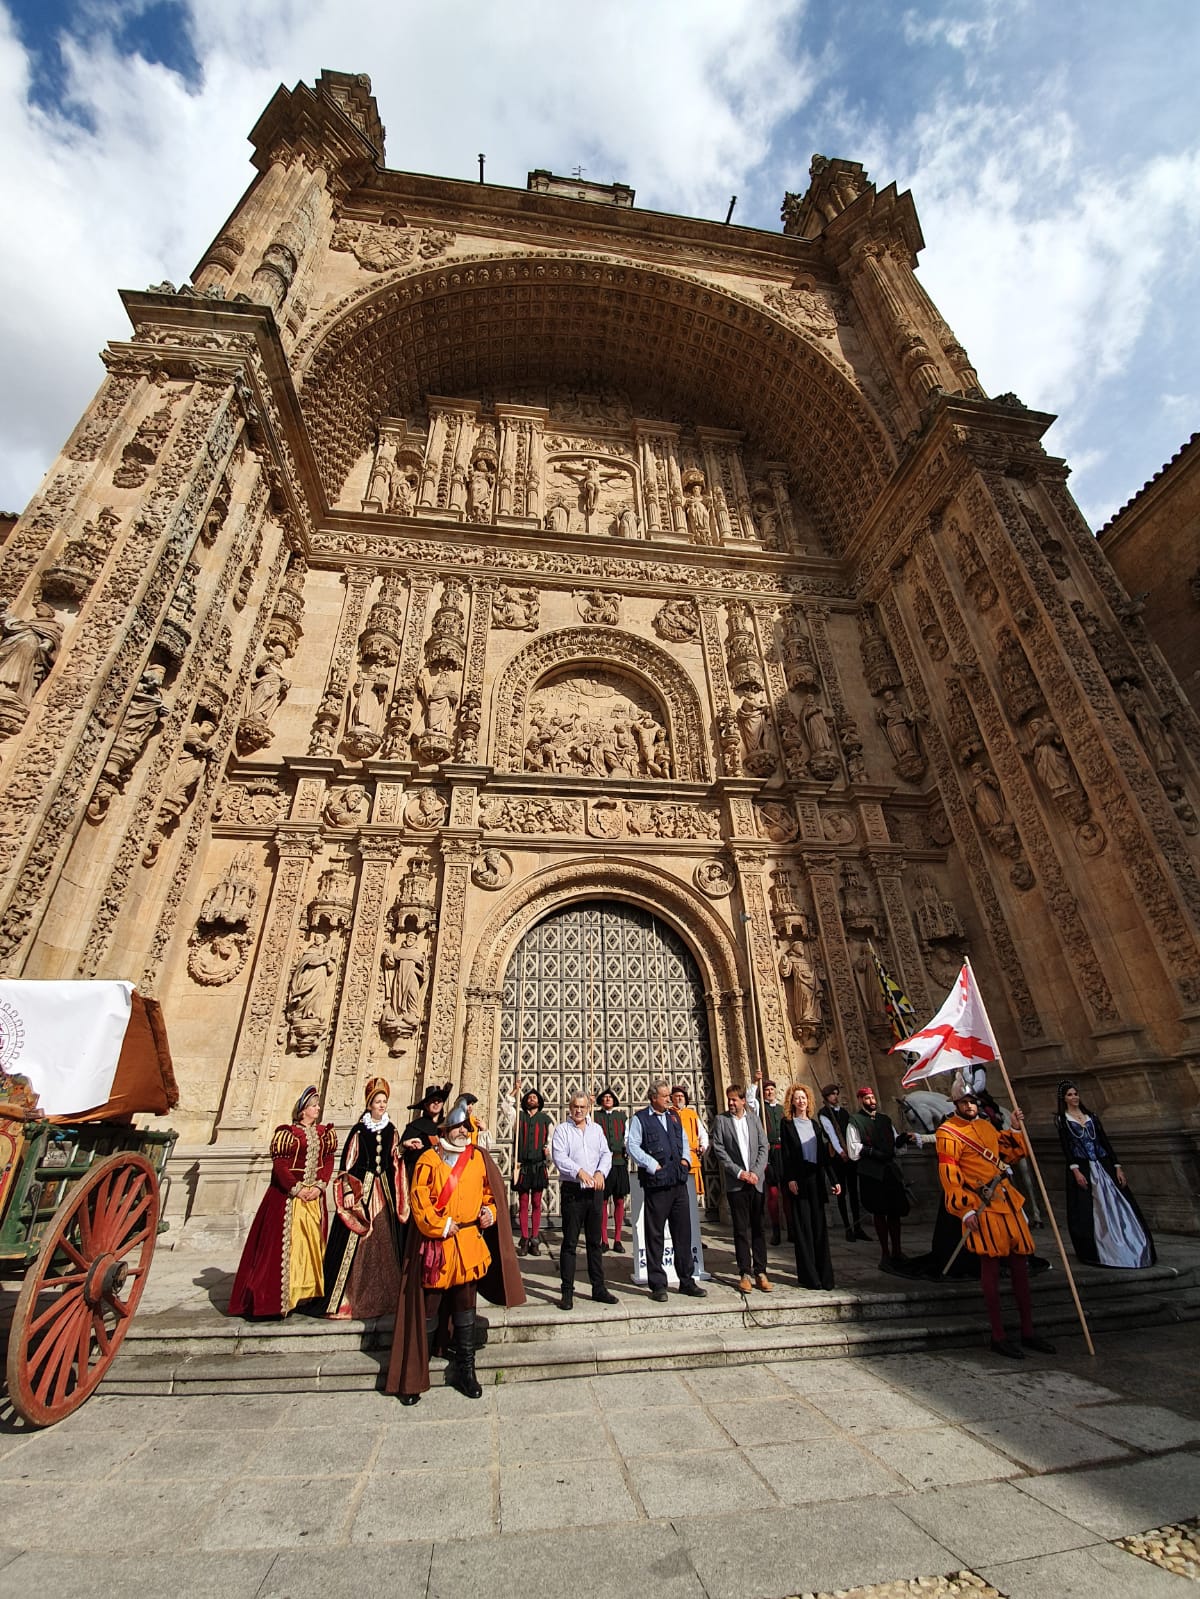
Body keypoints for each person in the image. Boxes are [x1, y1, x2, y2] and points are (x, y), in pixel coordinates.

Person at [385, 1095, 524, 1405]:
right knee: (429, 1308)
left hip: (469, 1245)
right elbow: (420, 1200)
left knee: (465, 1308)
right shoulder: (429, 1160)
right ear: (446, 1128)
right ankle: (416, 1371)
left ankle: (465, 1369)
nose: (462, 1131)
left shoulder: (477, 1158)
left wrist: (490, 1211)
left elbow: (489, 1195)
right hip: (438, 1244)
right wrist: (440, 1226)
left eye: (466, 1126)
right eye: (457, 1126)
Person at [936, 1088, 1054, 1358]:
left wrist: (1014, 1129)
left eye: (973, 1101)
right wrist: (965, 1210)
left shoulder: (987, 1127)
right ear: (956, 1104)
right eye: (964, 1102)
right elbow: (949, 1174)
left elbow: (1008, 1155)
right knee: (989, 1268)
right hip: (981, 1205)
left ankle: (1028, 1331)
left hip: (1008, 1202)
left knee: (1020, 1267)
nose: (970, 1106)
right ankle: (998, 1335)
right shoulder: (948, 1132)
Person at [228, 1086, 337, 1318]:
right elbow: (280, 1166)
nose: (317, 1108)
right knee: (284, 1247)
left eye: (317, 1105)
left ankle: (306, 1293)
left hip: (313, 1199)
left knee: (311, 1246)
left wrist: (319, 1185)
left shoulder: (323, 1133)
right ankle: (277, 1299)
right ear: (303, 1111)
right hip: (289, 1199)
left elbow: (327, 1161)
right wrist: (296, 1188)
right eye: (313, 1105)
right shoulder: (286, 1134)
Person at [324, 1077, 408, 1320]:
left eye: (384, 1101)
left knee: (386, 1243)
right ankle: (349, 1296)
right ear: (369, 1104)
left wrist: (403, 1150)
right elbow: (347, 1163)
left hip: (384, 1194)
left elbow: (394, 1159)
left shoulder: (391, 1129)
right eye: (378, 1101)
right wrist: (349, 1190)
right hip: (364, 1192)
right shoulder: (360, 1130)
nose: (382, 1105)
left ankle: (386, 1295)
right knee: (359, 1242)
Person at [1055, 1080, 1154, 1268]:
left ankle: (1131, 1242)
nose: (1074, 1097)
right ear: (1064, 1099)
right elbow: (1066, 1147)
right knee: (1089, 1208)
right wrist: (1075, 1170)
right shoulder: (1062, 1120)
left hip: (1103, 1164)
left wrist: (1117, 1166)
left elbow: (1104, 1142)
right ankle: (1099, 1248)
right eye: (1070, 1095)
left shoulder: (1091, 1116)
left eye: (1076, 1093)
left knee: (1121, 1204)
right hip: (1083, 1166)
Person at [626, 1080, 707, 1303]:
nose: (669, 1099)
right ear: (653, 1098)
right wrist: (652, 1165)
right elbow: (633, 1145)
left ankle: (687, 1280)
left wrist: (685, 1160)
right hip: (657, 1184)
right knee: (655, 1235)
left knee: (683, 1233)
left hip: (678, 1182)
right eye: (664, 1096)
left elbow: (682, 1139)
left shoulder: (674, 1116)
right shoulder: (640, 1119)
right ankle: (658, 1284)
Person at [551, 1092, 618, 1310]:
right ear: (569, 1108)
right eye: (574, 1106)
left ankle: (598, 1287)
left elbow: (606, 1153)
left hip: (594, 1192)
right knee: (570, 1242)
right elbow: (559, 1157)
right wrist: (577, 1171)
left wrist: (600, 1173)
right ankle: (567, 1291)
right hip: (573, 1191)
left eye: (582, 1106)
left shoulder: (596, 1130)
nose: (578, 1110)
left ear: (589, 1108)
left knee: (594, 1242)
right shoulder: (562, 1130)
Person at [780, 1084, 841, 1289]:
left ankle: (825, 1276)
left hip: (816, 1179)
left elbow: (823, 1156)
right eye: (797, 1098)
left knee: (819, 1227)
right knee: (803, 1227)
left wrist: (834, 1180)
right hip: (799, 1178)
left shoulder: (815, 1125)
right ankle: (809, 1276)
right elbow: (786, 1154)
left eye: (803, 1097)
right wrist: (789, 1178)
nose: (801, 1101)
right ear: (792, 1102)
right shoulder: (787, 1124)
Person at [711, 1083, 770, 1293]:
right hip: (737, 1183)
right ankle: (744, 1272)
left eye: (734, 1099)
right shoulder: (721, 1120)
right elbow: (718, 1148)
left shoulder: (754, 1119)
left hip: (756, 1180)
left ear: (743, 1100)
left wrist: (756, 1172)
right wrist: (739, 1173)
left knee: (758, 1228)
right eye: (729, 1100)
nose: (731, 1103)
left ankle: (761, 1272)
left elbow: (764, 1146)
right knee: (740, 1229)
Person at [849, 1086, 912, 1271]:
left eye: (872, 1097)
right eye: (867, 1098)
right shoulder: (855, 1121)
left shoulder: (885, 1120)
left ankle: (897, 1250)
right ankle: (885, 1252)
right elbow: (853, 1148)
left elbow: (893, 1143)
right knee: (879, 1211)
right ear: (861, 1100)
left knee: (894, 1211)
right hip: (871, 1171)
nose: (871, 1101)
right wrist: (871, 1152)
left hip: (889, 1170)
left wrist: (900, 1141)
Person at [817, 1083, 868, 1242]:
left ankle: (858, 1226)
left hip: (850, 1154)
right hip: (837, 1156)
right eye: (832, 1094)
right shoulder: (824, 1113)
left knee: (853, 1191)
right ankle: (847, 1227)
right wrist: (840, 1151)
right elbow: (831, 1133)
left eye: (836, 1094)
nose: (835, 1097)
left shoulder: (844, 1112)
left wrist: (851, 1151)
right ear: (826, 1097)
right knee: (841, 1191)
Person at [514, 1088, 553, 1255]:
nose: (531, 1099)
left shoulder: (546, 1119)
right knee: (523, 1203)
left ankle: (535, 1238)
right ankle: (524, 1238)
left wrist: (548, 1150)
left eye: (534, 1097)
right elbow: (505, 1108)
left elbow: (552, 1138)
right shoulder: (519, 1116)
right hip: (523, 1166)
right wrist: (515, 1090)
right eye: (529, 1097)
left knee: (537, 1202)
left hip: (538, 1165)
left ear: (539, 1101)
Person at [748, 1078, 785, 1244]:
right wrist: (756, 1082)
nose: (769, 1092)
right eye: (766, 1090)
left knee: (787, 1191)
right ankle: (776, 1229)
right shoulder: (759, 1107)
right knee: (773, 1193)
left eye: (771, 1089)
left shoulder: (782, 1109)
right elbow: (749, 1099)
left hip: (782, 1153)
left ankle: (791, 1228)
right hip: (768, 1154)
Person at [595, 1087, 630, 1251]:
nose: (607, 1099)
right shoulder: (594, 1117)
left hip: (618, 1163)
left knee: (619, 1200)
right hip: (602, 1165)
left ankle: (617, 1238)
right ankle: (604, 1239)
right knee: (602, 1201)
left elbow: (628, 1137)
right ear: (601, 1100)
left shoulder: (622, 1117)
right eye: (605, 1097)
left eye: (610, 1097)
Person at [399, 1082, 452, 1181]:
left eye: (439, 1100)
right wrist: (408, 1146)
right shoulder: (414, 1126)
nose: (436, 1103)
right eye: (433, 1101)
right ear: (426, 1105)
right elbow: (400, 1154)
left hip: (444, 1175)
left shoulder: (448, 1126)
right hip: (419, 1175)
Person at [670, 1084, 709, 1202]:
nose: (679, 1098)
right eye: (676, 1096)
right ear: (672, 1098)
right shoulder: (668, 1114)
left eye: (682, 1096)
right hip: (675, 1157)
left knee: (691, 1192)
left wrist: (703, 1146)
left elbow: (702, 1133)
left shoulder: (692, 1114)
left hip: (691, 1157)